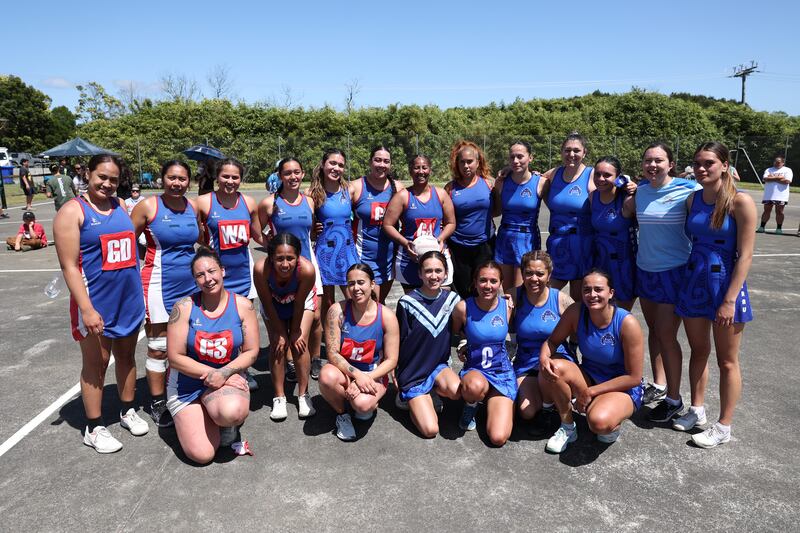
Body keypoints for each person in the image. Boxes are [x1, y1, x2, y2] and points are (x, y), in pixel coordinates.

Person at [53, 154, 147, 453]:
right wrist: (87, 309)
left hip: (128, 297)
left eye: (114, 179)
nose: (107, 184)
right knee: (96, 363)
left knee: (127, 356)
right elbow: (69, 266)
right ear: (87, 175)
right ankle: (93, 427)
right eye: (102, 177)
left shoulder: (120, 205)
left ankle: (127, 409)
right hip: (96, 301)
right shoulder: (72, 212)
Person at [674, 142, 756, 448]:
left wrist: (729, 300)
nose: (701, 168)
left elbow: (746, 256)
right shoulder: (693, 199)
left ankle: (724, 426)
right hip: (695, 280)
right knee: (698, 350)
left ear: (724, 165)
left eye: (708, 163)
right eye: (697, 163)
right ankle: (697, 411)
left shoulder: (740, 202)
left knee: (727, 361)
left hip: (725, 286)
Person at [165, 247, 259, 464]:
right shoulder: (183, 307)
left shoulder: (243, 306)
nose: (208, 279)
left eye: (212, 271)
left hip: (225, 379)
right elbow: (175, 357)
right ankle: (195, 412)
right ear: (195, 279)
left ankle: (221, 419)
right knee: (203, 455)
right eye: (200, 275)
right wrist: (214, 373)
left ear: (223, 271)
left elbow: (252, 351)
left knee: (232, 412)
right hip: (186, 384)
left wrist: (225, 373)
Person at [539, 269, 644, 453]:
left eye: (598, 289)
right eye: (587, 290)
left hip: (622, 387)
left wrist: (590, 392)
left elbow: (634, 378)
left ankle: (610, 417)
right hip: (590, 376)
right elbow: (552, 341)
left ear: (611, 293)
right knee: (554, 367)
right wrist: (544, 358)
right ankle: (567, 427)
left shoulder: (627, 323)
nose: (592, 295)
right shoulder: (576, 311)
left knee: (599, 423)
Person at [131, 160, 200, 427]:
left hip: (191, 285)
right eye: (172, 178)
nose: (177, 183)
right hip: (159, 284)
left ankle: (182, 391)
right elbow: (127, 240)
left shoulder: (191, 207)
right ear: (162, 179)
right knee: (159, 348)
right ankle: (158, 401)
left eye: (182, 179)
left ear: (189, 182)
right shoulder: (149, 206)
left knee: (186, 342)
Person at [635, 142, 700, 421]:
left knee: (666, 335)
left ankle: (674, 399)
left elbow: (719, 198)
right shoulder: (639, 192)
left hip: (673, 272)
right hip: (644, 270)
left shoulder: (688, 190)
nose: (653, 165)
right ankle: (660, 385)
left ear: (671, 164)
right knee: (654, 330)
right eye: (648, 160)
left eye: (658, 160)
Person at [258, 157, 323, 380]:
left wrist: (316, 232)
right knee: (284, 318)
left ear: (302, 173)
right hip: (283, 268)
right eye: (287, 173)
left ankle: (315, 359)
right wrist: (270, 248)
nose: (293, 177)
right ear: (280, 176)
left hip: (307, 265)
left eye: (297, 172)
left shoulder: (309, 201)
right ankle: (289, 363)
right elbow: (256, 230)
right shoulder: (270, 203)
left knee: (314, 317)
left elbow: (311, 231)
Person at [319, 263, 400, 441]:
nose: (356, 288)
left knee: (363, 406)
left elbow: (391, 360)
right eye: (351, 283)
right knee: (326, 377)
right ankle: (342, 413)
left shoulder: (386, 316)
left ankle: (359, 400)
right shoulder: (336, 311)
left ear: (372, 284)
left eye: (361, 282)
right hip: (346, 371)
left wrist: (367, 377)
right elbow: (332, 354)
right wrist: (357, 376)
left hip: (373, 372)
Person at [394, 251, 463, 438]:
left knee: (457, 391)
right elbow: (396, 340)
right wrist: (394, 370)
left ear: (446, 273)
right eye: (428, 271)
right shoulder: (407, 302)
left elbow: (463, 330)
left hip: (438, 366)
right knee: (430, 430)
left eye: (438, 271)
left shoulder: (453, 300)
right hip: (413, 372)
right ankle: (410, 399)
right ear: (420, 274)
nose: (434, 276)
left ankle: (432, 391)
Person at [253, 233, 318, 421]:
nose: (285, 264)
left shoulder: (306, 270)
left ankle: (303, 394)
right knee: (278, 345)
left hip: (299, 302)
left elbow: (298, 305)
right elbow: (266, 302)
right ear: (271, 257)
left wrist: (295, 331)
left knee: (299, 344)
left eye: (290, 258)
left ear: (298, 257)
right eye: (279, 258)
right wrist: (280, 333)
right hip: (273, 303)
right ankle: (279, 396)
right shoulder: (261, 269)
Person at [451, 261, 516, 446]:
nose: (488, 286)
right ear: (475, 282)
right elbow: (457, 331)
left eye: (493, 281)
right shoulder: (463, 307)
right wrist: (464, 343)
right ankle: (471, 404)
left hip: (501, 372)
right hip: (476, 369)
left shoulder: (507, 306)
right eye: (483, 280)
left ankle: (491, 402)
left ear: (501, 283)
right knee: (474, 387)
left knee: (498, 438)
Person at [306, 149, 359, 356]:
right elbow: (305, 225)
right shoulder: (312, 195)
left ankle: (354, 343)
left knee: (354, 298)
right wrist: (313, 229)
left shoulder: (350, 190)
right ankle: (330, 348)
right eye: (332, 163)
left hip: (347, 251)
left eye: (340, 165)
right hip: (326, 253)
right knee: (328, 304)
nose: (336, 168)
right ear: (323, 164)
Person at [512, 251, 573, 423]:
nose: (534, 278)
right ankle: (549, 400)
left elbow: (584, 326)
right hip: (527, 363)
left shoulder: (561, 299)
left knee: (552, 372)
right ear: (522, 273)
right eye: (529, 273)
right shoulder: (513, 296)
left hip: (556, 362)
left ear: (549, 275)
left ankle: (560, 407)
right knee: (527, 412)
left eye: (540, 274)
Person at [383, 155, 456, 292]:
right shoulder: (403, 196)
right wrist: (405, 243)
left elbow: (451, 223)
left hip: (438, 256)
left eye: (424, 167)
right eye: (416, 168)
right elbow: (387, 225)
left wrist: (440, 239)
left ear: (430, 170)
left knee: (442, 298)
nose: (421, 171)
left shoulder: (441, 194)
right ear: (410, 171)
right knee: (414, 302)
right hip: (410, 259)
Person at [197, 157, 262, 301]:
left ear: (240, 179)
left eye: (235, 177)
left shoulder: (249, 202)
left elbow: (258, 236)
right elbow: (194, 235)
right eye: (225, 176)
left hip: (244, 275)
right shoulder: (203, 202)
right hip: (214, 274)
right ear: (217, 177)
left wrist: (283, 245)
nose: (230, 181)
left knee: (244, 318)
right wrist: (207, 246)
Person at [543, 133, 595, 303]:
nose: (571, 154)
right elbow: (530, 179)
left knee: (578, 299)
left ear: (584, 152)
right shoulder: (554, 173)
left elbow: (611, 187)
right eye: (567, 150)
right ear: (561, 152)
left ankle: (577, 329)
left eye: (576, 150)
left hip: (581, 245)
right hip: (557, 243)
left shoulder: (591, 174)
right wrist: (507, 171)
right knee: (547, 295)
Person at [352, 146, 403, 302]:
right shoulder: (356, 187)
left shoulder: (398, 188)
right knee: (366, 303)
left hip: (388, 258)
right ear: (370, 162)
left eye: (386, 161)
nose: (381, 164)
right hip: (362, 256)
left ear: (390, 165)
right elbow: (336, 210)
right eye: (377, 160)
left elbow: (412, 215)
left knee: (379, 303)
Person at [445, 141, 495, 299]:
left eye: (470, 161)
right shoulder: (450, 188)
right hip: (458, 247)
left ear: (478, 162)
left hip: (484, 246)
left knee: (483, 288)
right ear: (457, 164)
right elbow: (446, 219)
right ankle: (463, 322)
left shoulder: (489, 184)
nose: (466, 166)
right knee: (462, 290)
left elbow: (498, 210)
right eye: (462, 162)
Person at [493, 141, 545, 291]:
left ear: (530, 158)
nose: (515, 161)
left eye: (520, 156)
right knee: (507, 291)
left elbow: (559, 174)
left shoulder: (541, 182)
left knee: (523, 289)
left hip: (528, 239)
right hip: (505, 238)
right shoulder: (501, 182)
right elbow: (495, 210)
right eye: (512, 157)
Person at [589, 156, 637, 310]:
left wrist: (635, 188)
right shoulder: (592, 196)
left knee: (619, 314)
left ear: (618, 177)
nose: (601, 179)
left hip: (623, 265)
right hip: (600, 263)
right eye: (597, 174)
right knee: (599, 311)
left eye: (607, 175)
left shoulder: (627, 199)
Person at [757, 156, 793, 234]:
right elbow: (765, 179)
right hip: (769, 195)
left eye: (778, 162)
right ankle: (762, 227)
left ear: (783, 163)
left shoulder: (787, 170)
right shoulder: (769, 169)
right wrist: (778, 178)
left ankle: (779, 228)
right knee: (766, 210)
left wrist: (772, 177)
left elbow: (787, 181)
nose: (776, 163)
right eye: (775, 161)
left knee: (779, 212)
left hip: (781, 195)